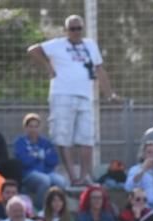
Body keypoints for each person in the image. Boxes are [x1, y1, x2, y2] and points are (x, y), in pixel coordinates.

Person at [27, 14, 117, 185]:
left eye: (79, 28)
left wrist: (109, 94)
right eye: (72, 29)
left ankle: (85, 176)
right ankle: (72, 177)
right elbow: (32, 50)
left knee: (87, 138)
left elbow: (99, 69)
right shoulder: (57, 44)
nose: (76, 32)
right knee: (63, 137)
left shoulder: (90, 45)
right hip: (62, 95)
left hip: (85, 96)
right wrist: (48, 66)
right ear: (66, 30)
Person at [14, 113, 67, 209]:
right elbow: (24, 161)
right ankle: (40, 208)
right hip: (28, 174)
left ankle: (58, 209)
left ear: (40, 128)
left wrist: (36, 157)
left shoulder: (45, 142)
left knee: (61, 181)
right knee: (45, 180)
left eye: (36, 126)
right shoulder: (20, 142)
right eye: (30, 126)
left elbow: (54, 160)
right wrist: (38, 156)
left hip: (47, 172)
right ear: (25, 128)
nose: (33, 129)